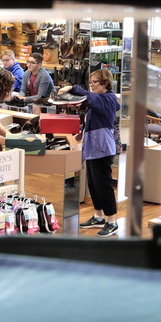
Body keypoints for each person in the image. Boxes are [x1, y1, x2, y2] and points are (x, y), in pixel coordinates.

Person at [59, 68, 121, 237]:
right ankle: (99, 216)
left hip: (102, 147)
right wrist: (83, 132)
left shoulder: (107, 99)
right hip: (93, 146)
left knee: (103, 185)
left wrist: (72, 88)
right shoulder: (100, 99)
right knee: (93, 184)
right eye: (91, 82)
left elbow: (90, 98)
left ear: (105, 83)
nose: (92, 85)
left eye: (95, 82)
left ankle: (112, 221)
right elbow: (93, 116)